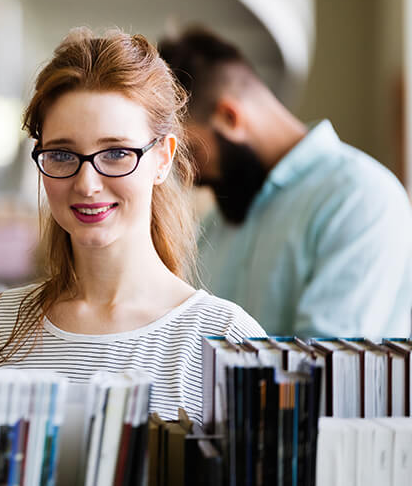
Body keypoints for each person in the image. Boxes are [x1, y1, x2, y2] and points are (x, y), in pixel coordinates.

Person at [0, 28, 265, 422]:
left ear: (162, 159)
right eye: (62, 154)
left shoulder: (226, 341)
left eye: (115, 152)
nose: (87, 184)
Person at [159, 27, 412, 338]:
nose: (189, 175)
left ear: (229, 117)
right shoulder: (218, 221)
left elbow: (327, 369)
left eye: (192, 151)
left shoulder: (360, 198)